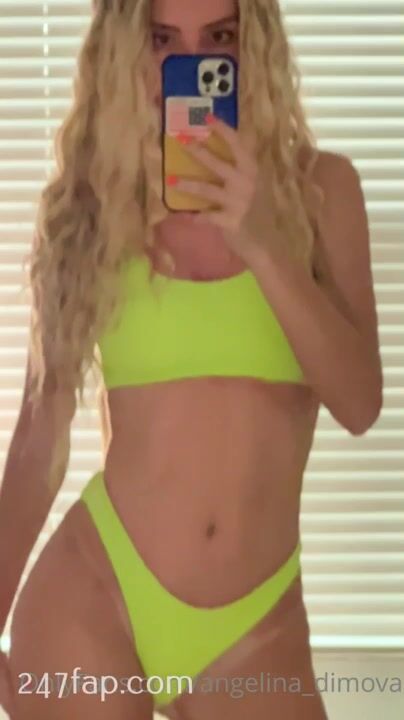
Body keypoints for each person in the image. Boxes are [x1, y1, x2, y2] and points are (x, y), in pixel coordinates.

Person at [0, 0, 383, 718]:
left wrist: (262, 241)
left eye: (219, 37)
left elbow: (360, 404)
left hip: (257, 625)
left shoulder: (323, 192)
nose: (190, 62)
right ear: (127, 53)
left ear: (253, 47)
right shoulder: (90, 210)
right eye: (162, 40)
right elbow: (37, 442)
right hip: (97, 592)